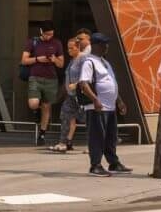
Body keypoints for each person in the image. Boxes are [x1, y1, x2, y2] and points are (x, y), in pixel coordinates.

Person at [73, 32, 131, 176]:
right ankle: (95, 165)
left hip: (110, 106)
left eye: (106, 44)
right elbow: (83, 84)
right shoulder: (89, 62)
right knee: (97, 136)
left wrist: (120, 101)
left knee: (111, 136)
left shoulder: (105, 62)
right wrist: (95, 100)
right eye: (104, 44)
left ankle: (113, 163)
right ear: (96, 45)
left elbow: (112, 83)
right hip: (97, 107)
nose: (106, 47)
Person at [21, 19, 64, 147]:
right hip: (35, 77)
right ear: (41, 32)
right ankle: (37, 110)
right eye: (47, 34)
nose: (49, 37)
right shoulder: (32, 42)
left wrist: (54, 59)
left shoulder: (57, 43)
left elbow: (61, 64)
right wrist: (37, 59)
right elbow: (24, 60)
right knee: (34, 104)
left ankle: (42, 133)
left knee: (47, 106)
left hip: (51, 79)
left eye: (51, 34)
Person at [52, 29, 91, 153]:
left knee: (89, 119)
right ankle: (64, 142)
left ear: (78, 48)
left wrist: (77, 84)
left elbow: (88, 75)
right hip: (71, 95)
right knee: (66, 116)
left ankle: (95, 144)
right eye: (68, 48)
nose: (69, 51)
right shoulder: (72, 61)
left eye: (71, 48)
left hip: (83, 95)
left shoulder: (83, 59)